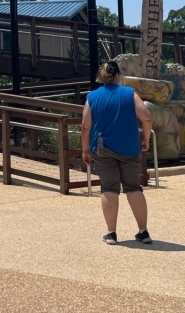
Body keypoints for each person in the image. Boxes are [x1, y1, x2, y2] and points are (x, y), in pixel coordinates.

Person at [81, 60, 154, 245]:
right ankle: (143, 232)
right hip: (130, 147)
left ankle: (112, 233)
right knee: (133, 188)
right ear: (117, 76)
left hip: (103, 148)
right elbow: (146, 116)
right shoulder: (129, 93)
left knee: (109, 189)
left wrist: (85, 150)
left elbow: (85, 126)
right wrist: (146, 139)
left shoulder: (93, 97)